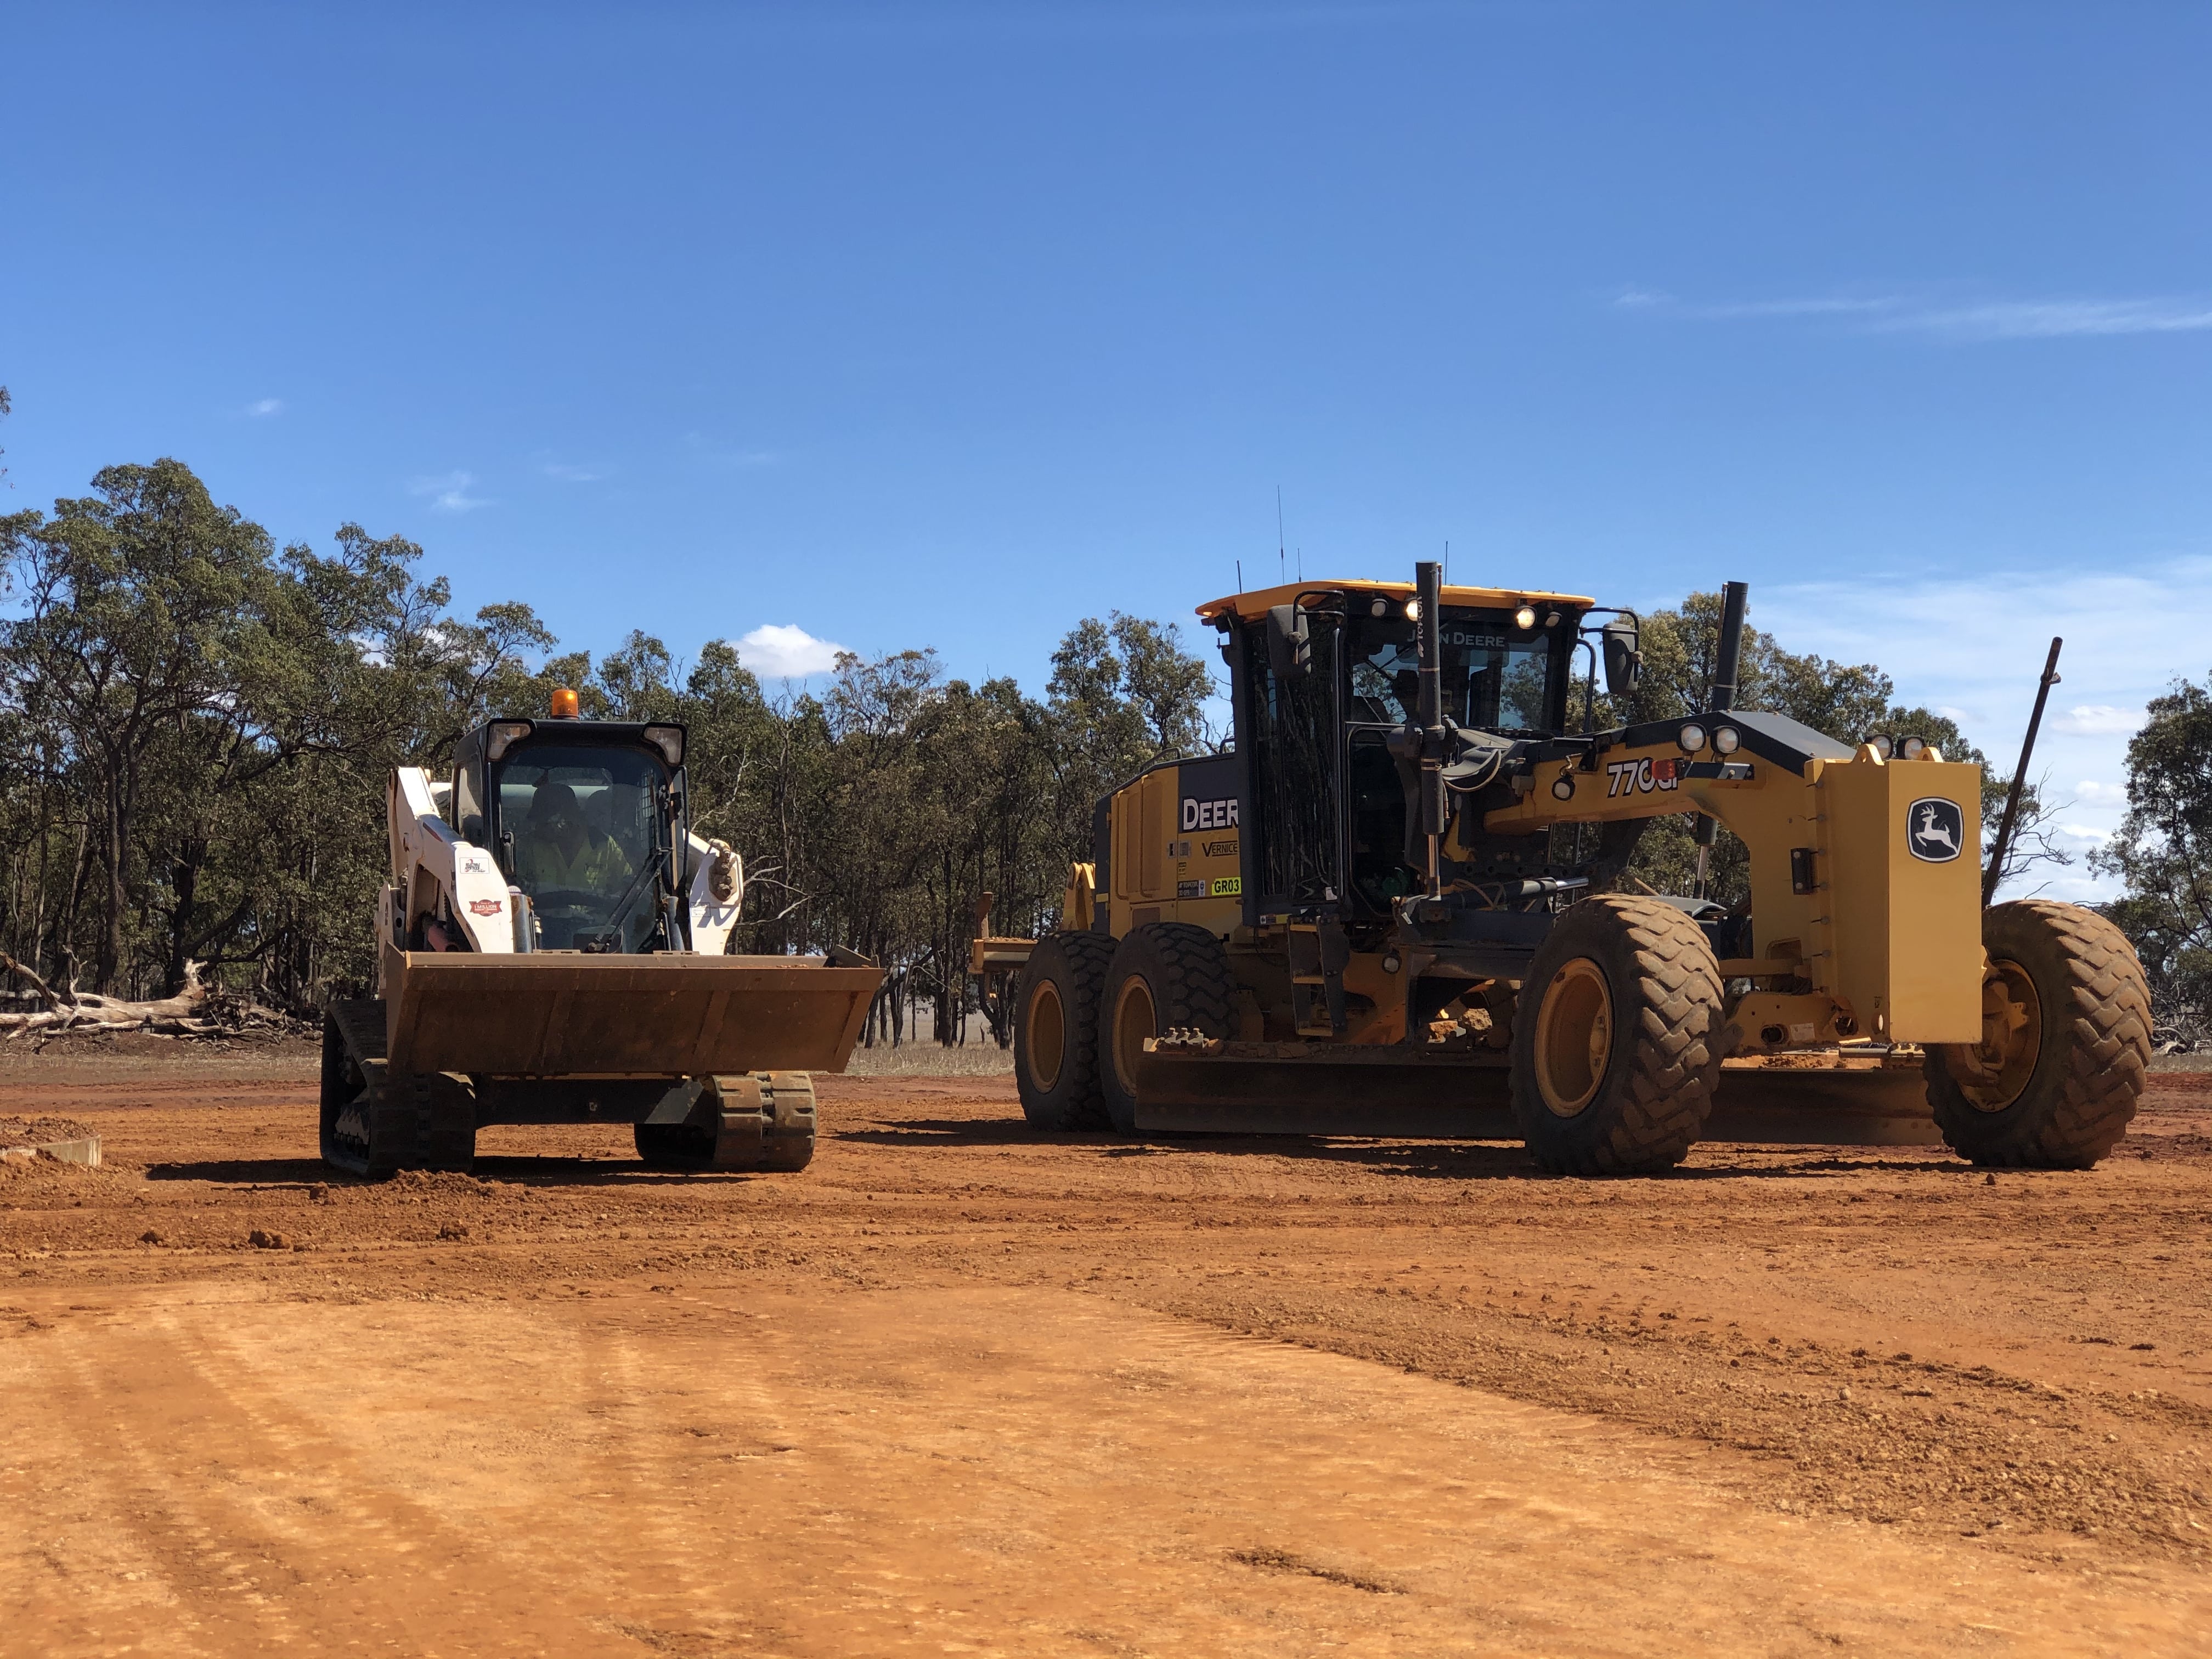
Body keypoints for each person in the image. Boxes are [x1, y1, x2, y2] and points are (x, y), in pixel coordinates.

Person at [513, 781, 634, 895]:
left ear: (566, 820)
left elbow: (629, 885)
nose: (538, 827)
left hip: (602, 918)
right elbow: (514, 889)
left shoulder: (605, 845)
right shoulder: (528, 846)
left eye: (545, 822)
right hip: (539, 917)